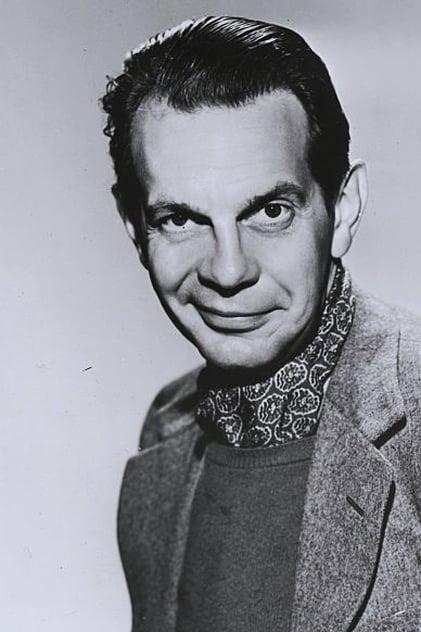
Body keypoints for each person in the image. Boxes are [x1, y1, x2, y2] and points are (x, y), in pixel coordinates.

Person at [101, 16, 421, 632]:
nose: (228, 270)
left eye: (270, 211)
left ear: (343, 208)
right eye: (180, 220)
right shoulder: (164, 436)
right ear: (135, 228)